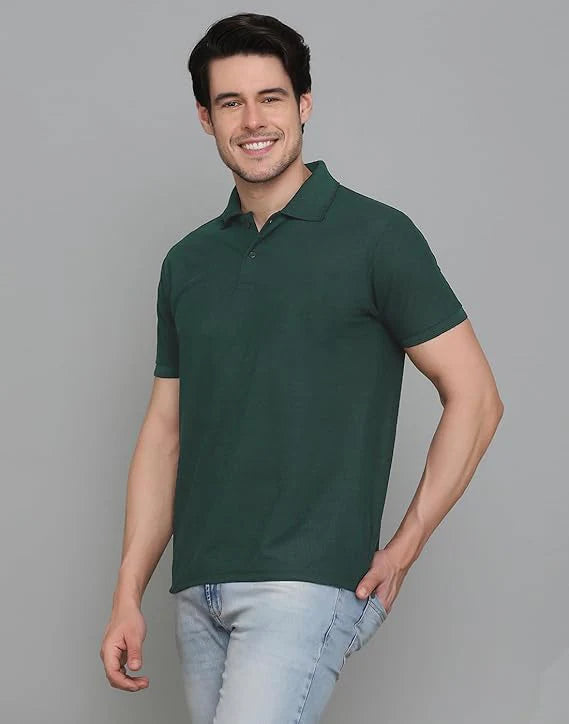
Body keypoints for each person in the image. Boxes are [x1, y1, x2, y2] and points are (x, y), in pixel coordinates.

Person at [99, 12, 504, 722]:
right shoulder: (187, 263)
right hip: (198, 591)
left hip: (302, 585)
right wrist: (127, 592)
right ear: (205, 118)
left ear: (304, 104)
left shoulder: (376, 237)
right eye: (231, 102)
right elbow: (165, 433)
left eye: (271, 97)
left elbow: (475, 397)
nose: (253, 120)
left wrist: (404, 546)